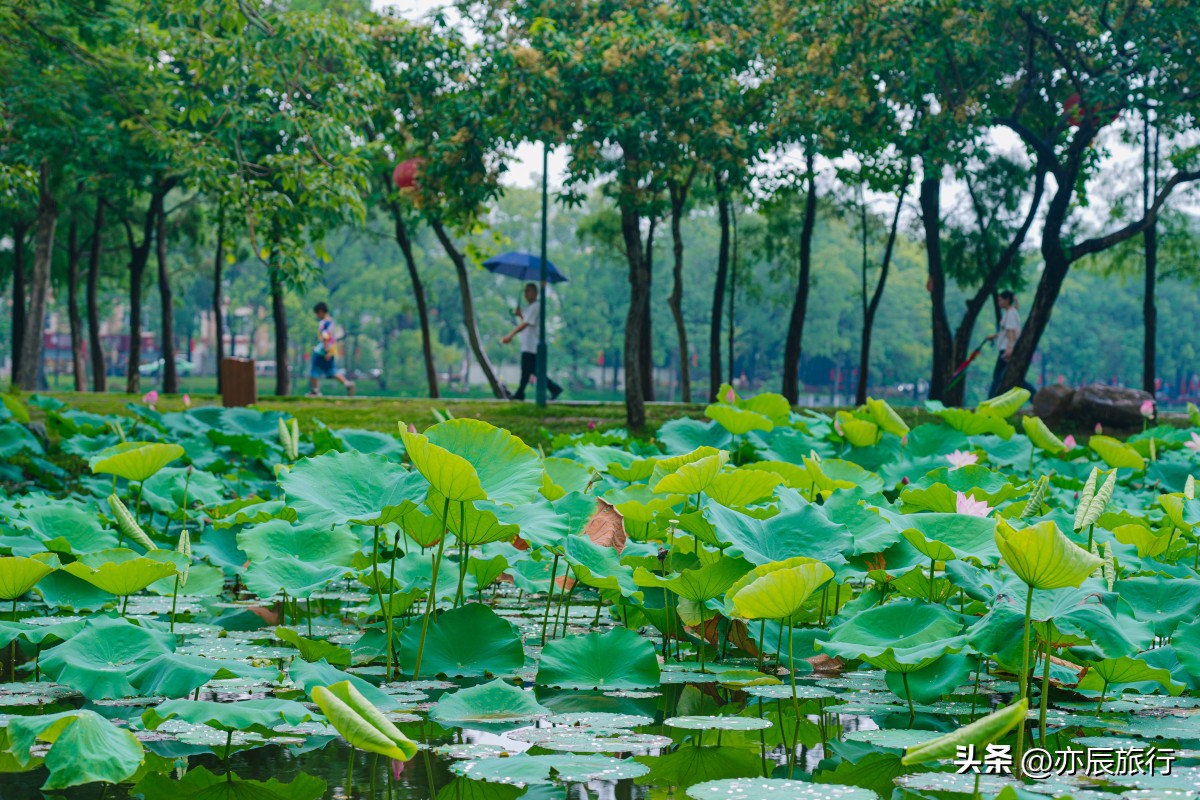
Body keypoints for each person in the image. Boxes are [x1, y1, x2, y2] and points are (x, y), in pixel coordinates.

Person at [502, 282, 562, 401]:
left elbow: (526, 324)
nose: (526, 294)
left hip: (532, 346)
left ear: (535, 293)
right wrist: (520, 315)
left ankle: (523, 393)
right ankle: (523, 393)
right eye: (525, 291)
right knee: (529, 371)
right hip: (528, 345)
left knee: (531, 371)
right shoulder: (531, 307)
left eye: (528, 291)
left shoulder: (536, 306)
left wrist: (510, 335)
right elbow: (528, 321)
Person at [986, 290, 1035, 398]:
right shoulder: (1011, 312)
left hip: (1006, 349)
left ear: (1007, 300)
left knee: (998, 375)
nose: (998, 302)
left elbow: (1010, 331)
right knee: (1012, 376)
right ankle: (1034, 396)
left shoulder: (1011, 313)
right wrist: (994, 336)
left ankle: (990, 399)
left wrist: (1009, 348)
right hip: (1007, 348)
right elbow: (1005, 331)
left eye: (1000, 300)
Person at [308, 302, 355, 397]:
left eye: (317, 314)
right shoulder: (331, 323)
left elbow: (325, 338)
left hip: (323, 352)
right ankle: (348, 384)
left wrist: (325, 351)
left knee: (314, 371)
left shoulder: (323, 323)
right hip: (332, 351)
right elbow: (331, 339)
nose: (317, 316)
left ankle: (315, 391)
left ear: (321, 312)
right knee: (331, 371)